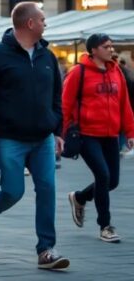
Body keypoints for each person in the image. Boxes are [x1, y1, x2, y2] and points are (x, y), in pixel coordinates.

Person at [0, 2, 69, 270]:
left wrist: (57, 131)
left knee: (47, 189)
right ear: (30, 23)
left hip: (43, 138)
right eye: (42, 19)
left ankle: (46, 250)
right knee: (13, 191)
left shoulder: (47, 56)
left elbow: (56, 96)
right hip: (9, 138)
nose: (45, 23)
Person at [63, 34, 134, 243]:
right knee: (103, 175)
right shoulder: (79, 72)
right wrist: (61, 134)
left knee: (112, 181)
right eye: (106, 46)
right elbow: (65, 104)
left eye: (111, 46)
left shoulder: (116, 71)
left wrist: (130, 133)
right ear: (93, 50)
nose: (111, 50)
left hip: (111, 135)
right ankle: (105, 226)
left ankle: (80, 197)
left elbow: (124, 104)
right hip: (87, 135)